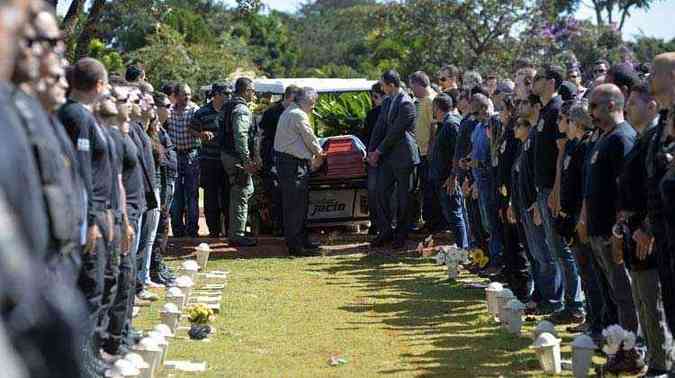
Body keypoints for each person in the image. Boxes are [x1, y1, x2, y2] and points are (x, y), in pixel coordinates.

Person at [58, 57, 114, 375]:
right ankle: (82, 361)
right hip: (84, 217)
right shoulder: (76, 117)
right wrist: (90, 219)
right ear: (99, 85)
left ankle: (88, 355)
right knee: (90, 287)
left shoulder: (83, 116)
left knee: (97, 286)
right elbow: (82, 172)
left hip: (95, 212)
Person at [614, 81, 671, 375]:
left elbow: (655, 187)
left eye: (633, 103)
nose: (627, 108)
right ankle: (655, 360)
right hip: (634, 230)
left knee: (652, 301)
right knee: (642, 302)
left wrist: (646, 225)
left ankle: (662, 364)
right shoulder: (640, 139)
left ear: (652, 107)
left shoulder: (655, 139)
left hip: (648, 233)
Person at [581, 84, 638, 333]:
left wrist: (618, 232)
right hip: (597, 231)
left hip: (611, 234)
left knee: (626, 297)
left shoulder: (622, 138)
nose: (590, 112)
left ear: (612, 105)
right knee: (612, 294)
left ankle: (633, 347)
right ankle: (617, 342)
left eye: (594, 106)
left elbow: (627, 191)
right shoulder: (604, 137)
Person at [531, 65, 585, 321]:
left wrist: (555, 189)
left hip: (553, 189)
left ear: (551, 82)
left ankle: (574, 304)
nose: (533, 82)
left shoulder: (556, 109)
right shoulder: (544, 110)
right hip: (542, 187)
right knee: (552, 249)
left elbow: (562, 151)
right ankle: (566, 302)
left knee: (561, 249)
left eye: (538, 78)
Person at [367, 70, 420, 249]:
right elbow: (380, 126)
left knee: (404, 198)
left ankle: (401, 234)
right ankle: (385, 231)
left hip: (404, 157)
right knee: (381, 192)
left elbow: (394, 133)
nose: (381, 88)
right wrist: (371, 150)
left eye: (383, 84)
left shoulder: (407, 104)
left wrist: (378, 152)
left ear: (391, 85)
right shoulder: (388, 101)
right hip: (388, 157)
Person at [274, 87, 325, 256]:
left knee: (296, 205)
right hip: (293, 165)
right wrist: (320, 153)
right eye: (313, 104)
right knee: (295, 205)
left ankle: (300, 241)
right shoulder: (298, 114)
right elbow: (309, 137)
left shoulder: (290, 111)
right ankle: (296, 246)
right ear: (307, 101)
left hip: (290, 164)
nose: (313, 108)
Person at [219, 77, 258, 247]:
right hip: (236, 157)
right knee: (242, 193)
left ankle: (236, 231)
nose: (254, 94)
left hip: (227, 154)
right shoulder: (241, 109)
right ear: (246, 90)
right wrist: (247, 159)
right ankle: (237, 234)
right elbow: (241, 137)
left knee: (239, 192)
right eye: (252, 91)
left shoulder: (227, 105)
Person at [259, 84, 301, 236]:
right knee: (275, 192)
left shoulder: (295, 112)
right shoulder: (272, 112)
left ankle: (287, 226)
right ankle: (278, 225)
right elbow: (262, 134)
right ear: (289, 97)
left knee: (287, 192)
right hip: (272, 155)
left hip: (287, 156)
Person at [191, 83, 231, 238]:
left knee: (228, 197)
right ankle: (213, 231)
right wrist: (201, 134)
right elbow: (192, 129)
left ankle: (228, 230)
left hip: (227, 161)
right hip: (209, 160)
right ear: (216, 94)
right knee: (210, 197)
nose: (229, 96)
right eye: (226, 93)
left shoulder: (231, 111)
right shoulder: (202, 112)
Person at [429, 94, 468, 248]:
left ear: (437, 107)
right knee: (451, 214)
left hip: (448, 179)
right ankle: (462, 247)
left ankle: (463, 248)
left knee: (455, 214)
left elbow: (456, 153)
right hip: (442, 177)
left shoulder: (451, 125)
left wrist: (453, 176)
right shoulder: (444, 124)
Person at [166, 83, 200, 237]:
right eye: (184, 94)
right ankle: (178, 229)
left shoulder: (195, 110)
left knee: (192, 194)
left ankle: (192, 229)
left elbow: (201, 130)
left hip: (191, 155)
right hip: (174, 156)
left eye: (189, 94)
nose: (187, 97)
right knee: (176, 194)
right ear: (176, 95)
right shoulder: (169, 111)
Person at [408, 71, 438, 232]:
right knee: (424, 188)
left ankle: (432, 222)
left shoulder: (431, 100)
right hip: (420, 150)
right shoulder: (420, 101)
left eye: (413, 87)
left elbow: (434, 127)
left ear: (419, 85)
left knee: (429, 188)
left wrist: (431, 149)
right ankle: (427, 221)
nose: (412, 90)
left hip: (427, 152)